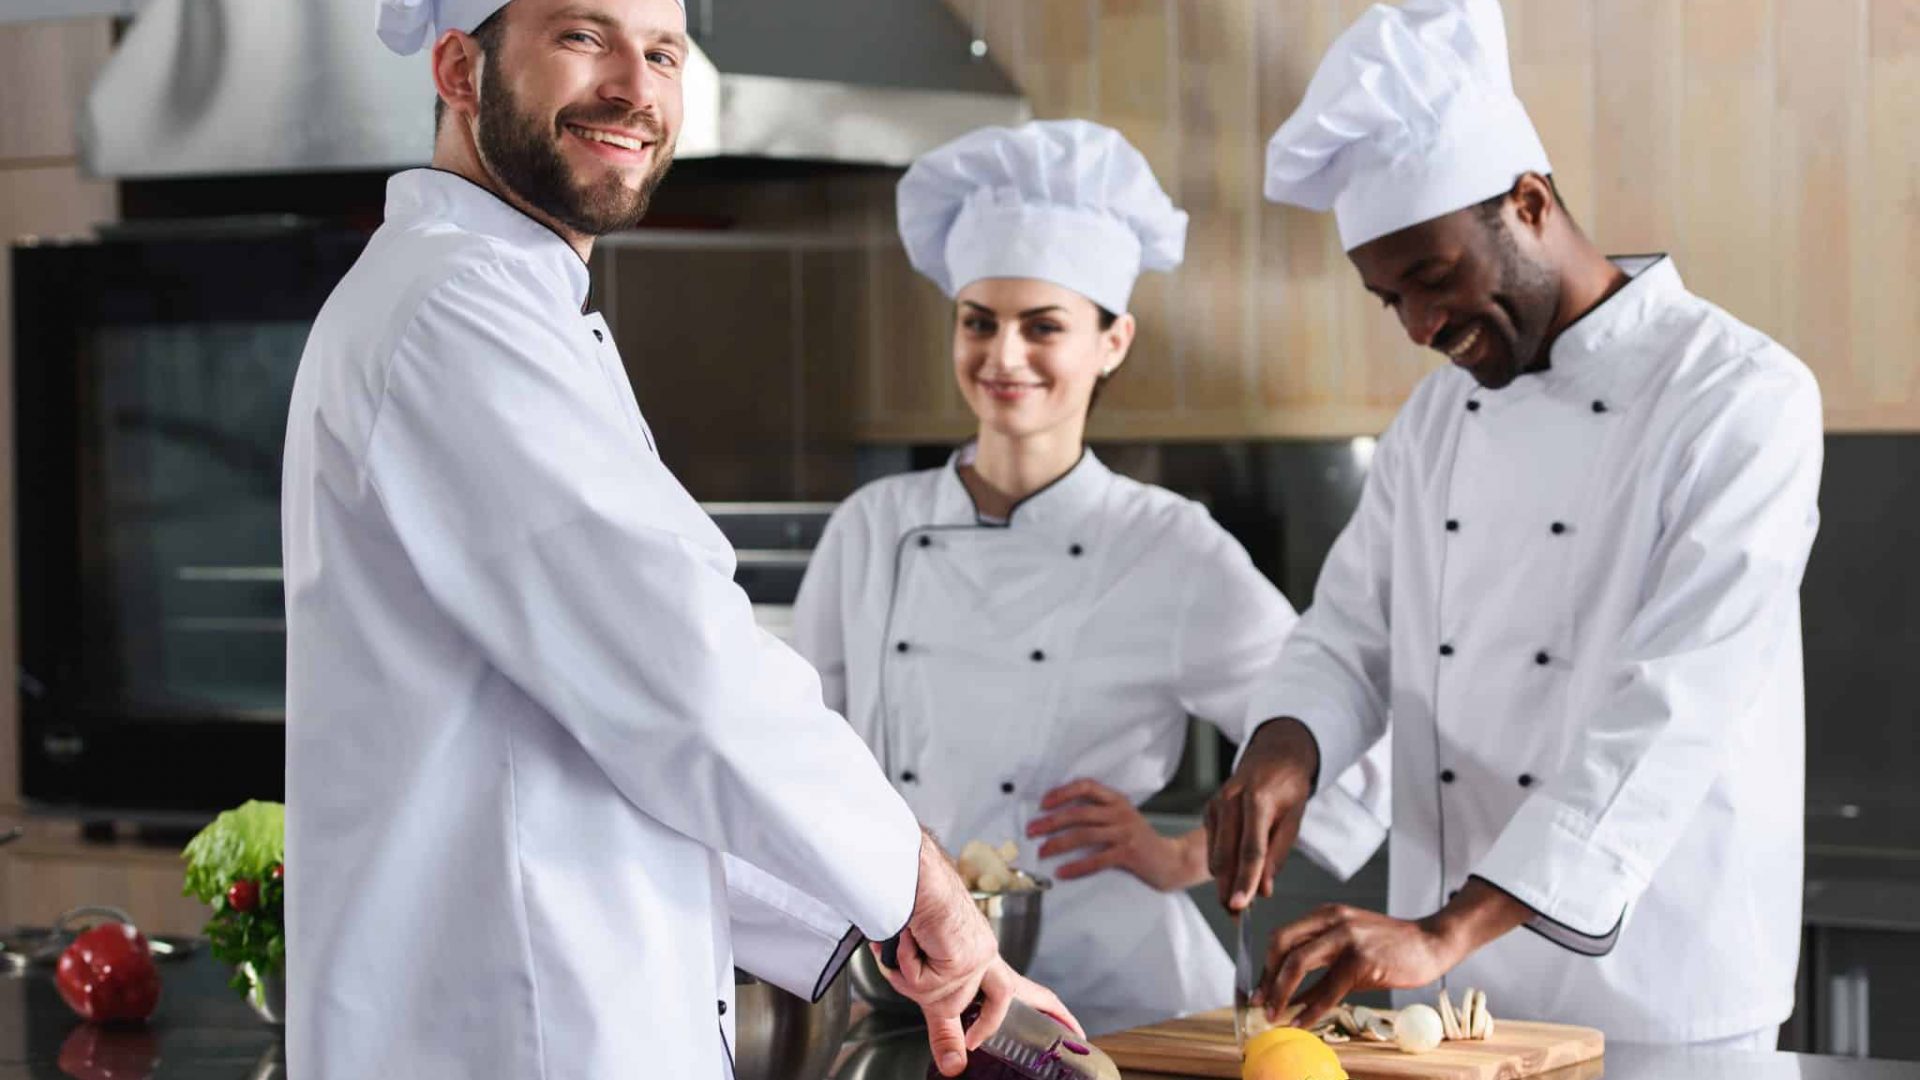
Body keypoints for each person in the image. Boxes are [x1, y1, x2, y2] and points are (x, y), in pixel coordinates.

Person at [282, 1, 1067, 1075]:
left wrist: (884, 920)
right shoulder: (456, 308)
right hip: (502, 1031)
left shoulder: (503, 298)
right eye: (581, 36)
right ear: (458, 70)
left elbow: (606, 728)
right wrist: (924, 886)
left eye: (660, 52)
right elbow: (685, 677)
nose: (637, 88)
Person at [1205, 0, 1822, 1050]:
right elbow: (1353, 629)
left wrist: (1448, 929)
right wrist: (1283, 746)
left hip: (1658, 998)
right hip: (1449, 1006)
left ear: (1530, 202)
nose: (1418, 327)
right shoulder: (1436, 420)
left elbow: (1672, 709)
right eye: (1386, 298)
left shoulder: (1736, 395)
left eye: (1434, 279)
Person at [793, 119, 1390, 1037]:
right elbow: (805, 757)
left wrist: (1183, 855)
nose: (1003, 358)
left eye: (1044, 328)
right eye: (978, 322)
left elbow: (1341, 748)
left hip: (1110, 996)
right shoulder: (873, 528)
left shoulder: (1165, 547)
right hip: (905, 980)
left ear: (1113, 341)